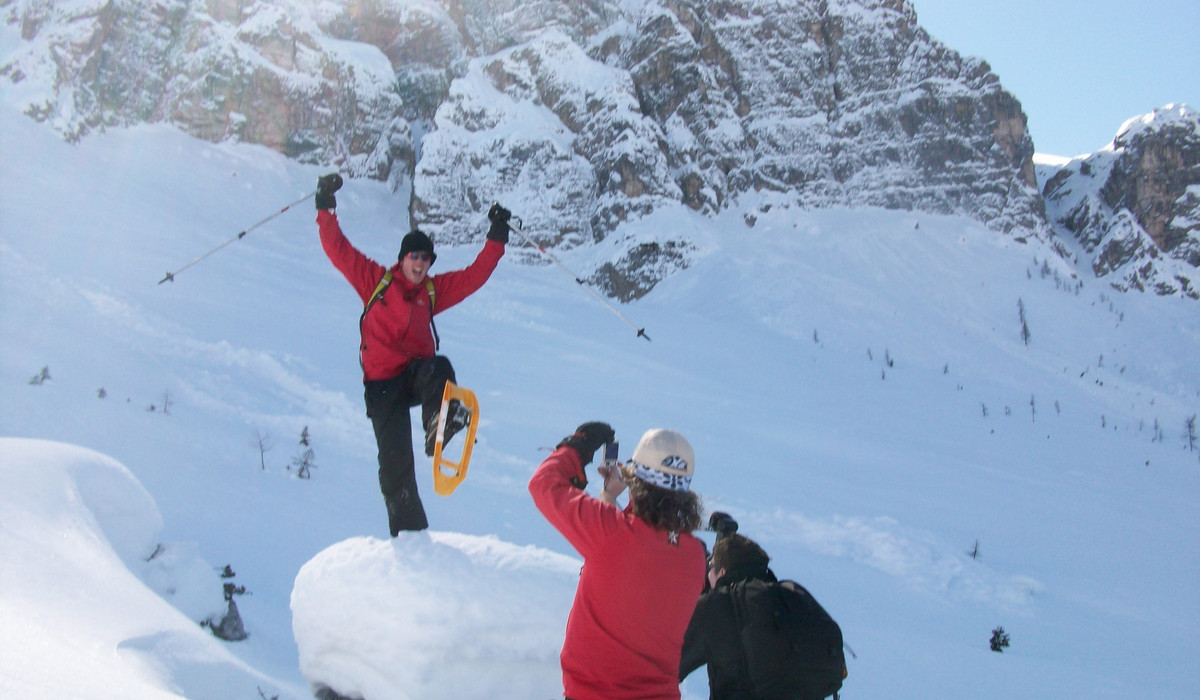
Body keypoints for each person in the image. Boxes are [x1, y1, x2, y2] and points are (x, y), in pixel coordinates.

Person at [314, 173, 510, 535]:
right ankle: (410, 537)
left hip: (414, 376)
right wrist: (325, 207)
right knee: (394, 465)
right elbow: (338, 249)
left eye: (426, 259)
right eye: (414, 257)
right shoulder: (376, 281)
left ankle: (440, 424)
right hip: (382, 385)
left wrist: (496, 236)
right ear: (403, 258)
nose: (420, 264)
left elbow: (473, 277)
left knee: (440, 367)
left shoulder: (432, 292)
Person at [529, 422, 707, 700]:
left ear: (636, 480)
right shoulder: (694, 556)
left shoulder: (611, 534)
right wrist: (610, 498)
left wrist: (576, 447)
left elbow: (543, 484)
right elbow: (638, 549)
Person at [679, 533, 847, 700]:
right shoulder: (792, 598)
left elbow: (669, 664)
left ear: (722, 572)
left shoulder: (720, 604)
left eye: (710, 566)